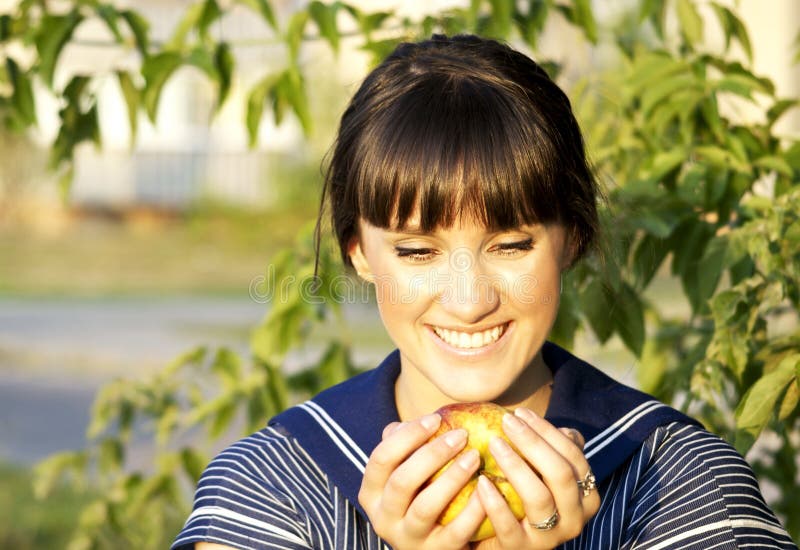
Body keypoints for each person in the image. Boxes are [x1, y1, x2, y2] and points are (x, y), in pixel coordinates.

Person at [172, 34, 796, 550]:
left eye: (512, 245)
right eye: (416, 251)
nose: (469, 301)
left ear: (572, 238)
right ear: (358, 252)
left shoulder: (678, 480)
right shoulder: (274, 485)